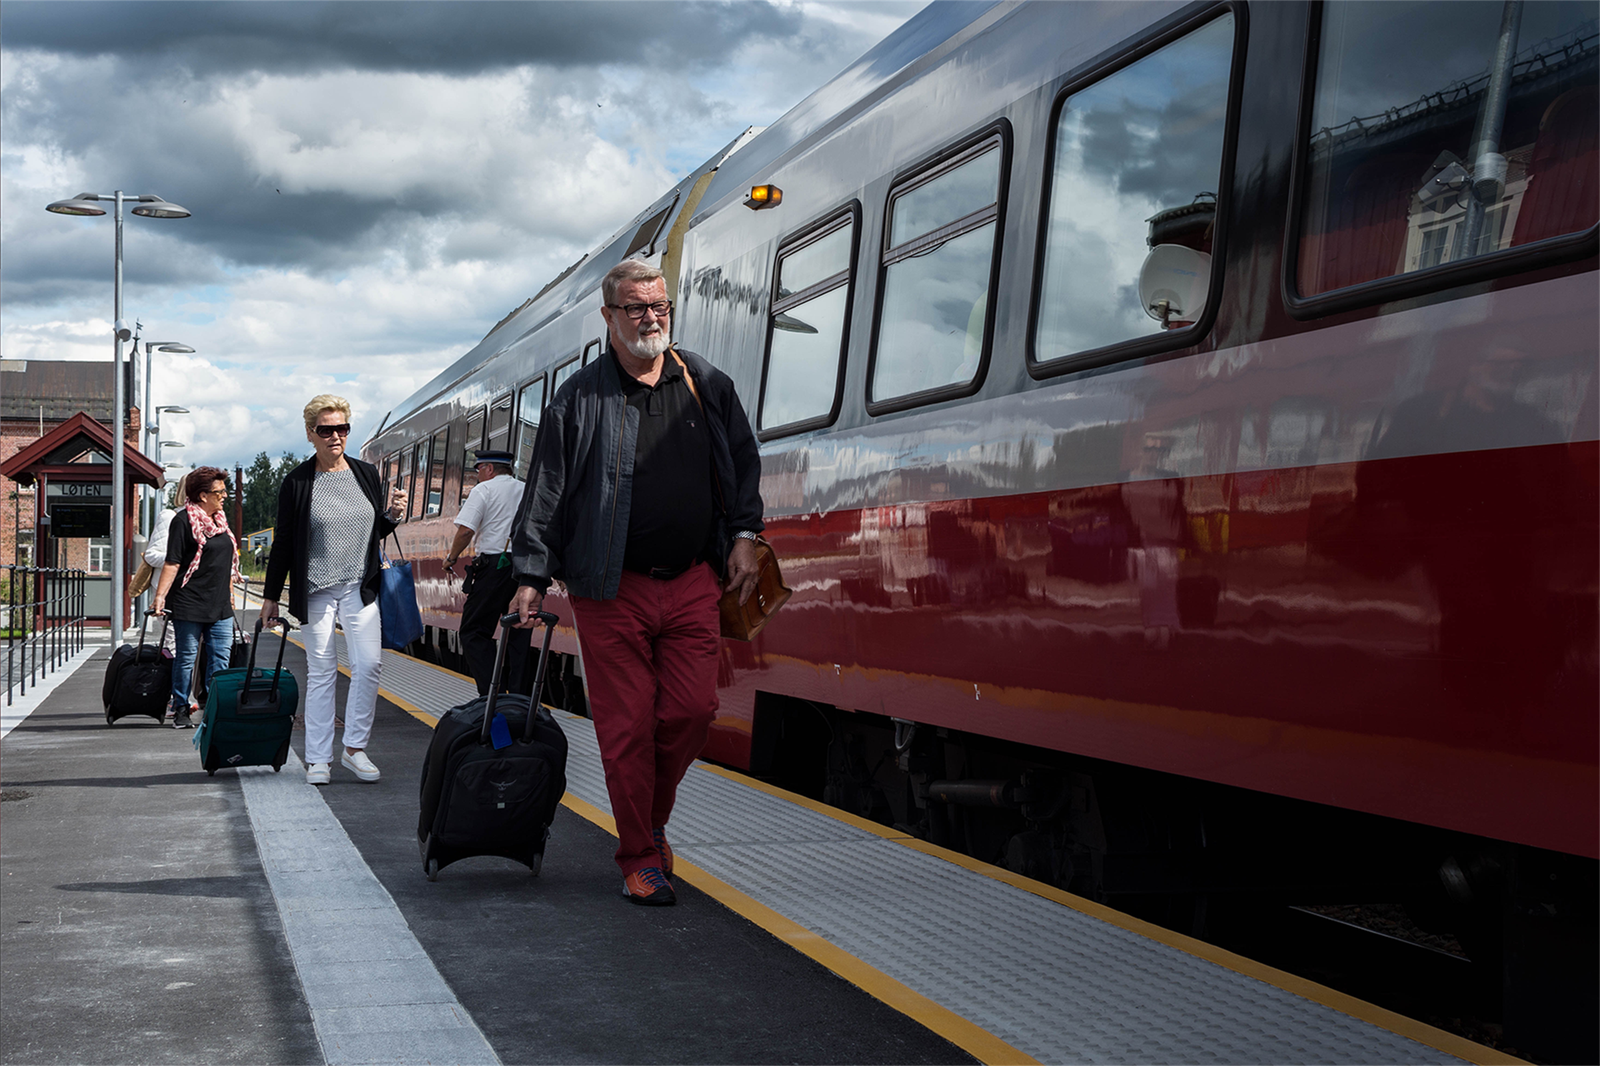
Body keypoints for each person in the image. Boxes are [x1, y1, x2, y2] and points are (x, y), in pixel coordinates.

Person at [509, 260, 763, 906]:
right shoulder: (577, 399)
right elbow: (545, 493)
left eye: (660, 306)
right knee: (626, 728)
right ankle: (640, 856)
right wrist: (532, 576)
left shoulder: (706, 383)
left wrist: (743, 537)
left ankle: (650, 815)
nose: (651, 317)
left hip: (691, 580)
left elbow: (743, 465)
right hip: (608, 586)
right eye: (636, 308)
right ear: (608, 318)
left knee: (692, 709)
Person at [261, 396, 407, 786]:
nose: (335, 437)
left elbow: (373, 531)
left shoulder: (365, 474)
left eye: (342, 428)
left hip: (359, 586)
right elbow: (284, 543)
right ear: (311, 434)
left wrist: (391, 516)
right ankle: (319, 758)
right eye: (326, 430)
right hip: (316, 589)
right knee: (322, 670)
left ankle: (355, 749)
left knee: (369, 665)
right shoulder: (297, 482)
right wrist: (271, 596)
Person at [151, 468, 238, 730]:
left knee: (221, 658)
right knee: (186, 658)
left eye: (224, 491)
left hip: (220, 604)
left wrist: (231, 595)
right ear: (202, 495)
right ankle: (180, 708)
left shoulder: (220, 522)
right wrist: (160, 597)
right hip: (189, 603)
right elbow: (173, 562)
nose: (224, 496)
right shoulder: (183, 521)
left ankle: (215, 709)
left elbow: (225, 565)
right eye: (219, 492)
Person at [444, 450, 528, 696]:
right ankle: (521, 698)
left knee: (473, 631)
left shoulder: (484, 490)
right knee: (519, 632)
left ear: (489, 469)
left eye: (478, 469)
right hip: (524, 568)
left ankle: (493, 694)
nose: (476, 474)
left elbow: (465, 531)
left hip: (493, 568)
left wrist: (451, 558)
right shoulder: (526, 489)